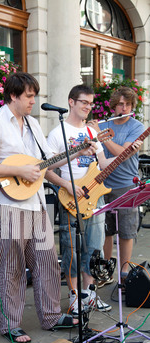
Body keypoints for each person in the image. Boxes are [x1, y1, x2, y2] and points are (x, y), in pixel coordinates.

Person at [0, 72, 99, 343]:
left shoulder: (32, 124)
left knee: (47, 263)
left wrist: (75, 157)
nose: (33, 101)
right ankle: (10, 325)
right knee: (12, 266)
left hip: (36, 202)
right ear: (14, 95)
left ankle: (51, 316)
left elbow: (42, 166)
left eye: (34, 96)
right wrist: (17, 169)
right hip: (5, 203)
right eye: (29, 96)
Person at [46, 84, 117, 317]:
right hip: (70, 197)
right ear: (71, 102)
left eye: (90, 103)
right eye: (84, 102)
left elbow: (104, 166)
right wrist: (67, 184)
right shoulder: (58, 133)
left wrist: (124, 155)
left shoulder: (91, 132)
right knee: (72, 249)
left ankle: (89, 294)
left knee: (94, 248)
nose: (88, 107)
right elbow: (46, 168)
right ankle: (75, 297)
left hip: (94, 197)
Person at [88, 86, 145, 288]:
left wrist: (102, 135)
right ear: (113, 106)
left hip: (126, 185)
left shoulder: (136, 127)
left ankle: (124, 273)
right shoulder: (106, 124)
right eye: (120, 104)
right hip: (102, 184)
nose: (124, 107)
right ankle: (105, 273)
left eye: (128, 104)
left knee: (127, 232)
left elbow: (122, 154)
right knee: (107, 231)